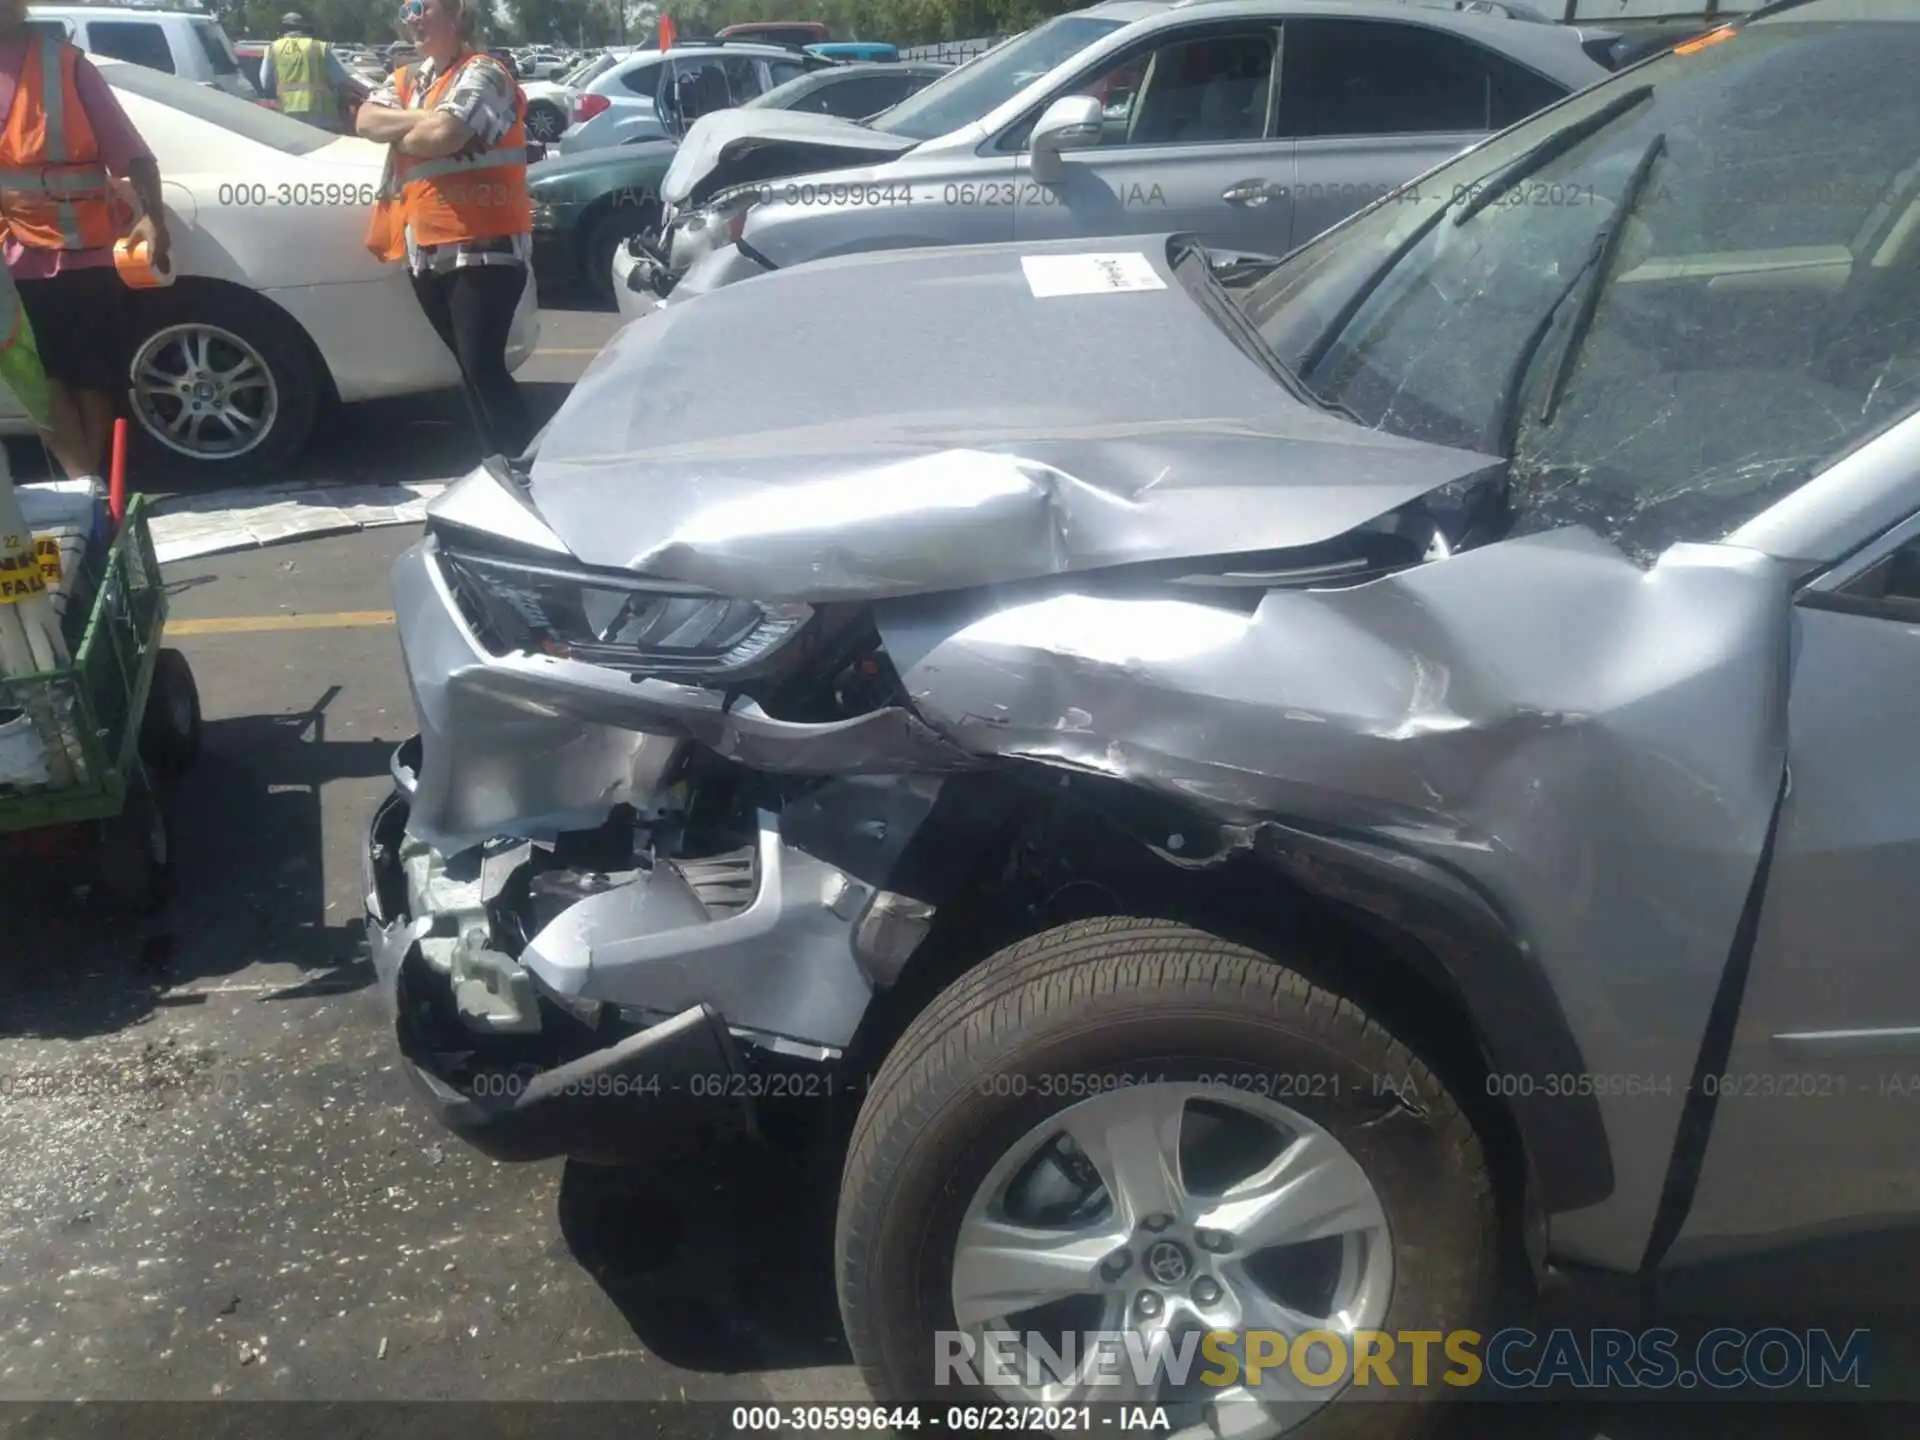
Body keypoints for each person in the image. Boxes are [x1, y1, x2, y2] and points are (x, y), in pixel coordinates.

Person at [0, 0, 168, 485]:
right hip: (9, 261)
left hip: (79, 251)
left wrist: (154, 218)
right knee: (38, 379)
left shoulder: (65, 65)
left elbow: (132, 153)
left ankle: (89, 487)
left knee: (92, 377)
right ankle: (85, 486)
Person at [358, 0, 534, 460]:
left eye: (425, 7)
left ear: (458, 14)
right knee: (469, 370)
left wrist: (413, 130)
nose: (413, 16)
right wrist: (427, 120)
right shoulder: (409, 78)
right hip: (427, 247)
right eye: (407, 7)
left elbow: (444, 137)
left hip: (484, 246)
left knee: (484, 368)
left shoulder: (485, 72)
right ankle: (496, 467)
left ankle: (525, 469)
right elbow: (365, 120)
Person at [262, 11, 362, 133]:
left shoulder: (273, 48)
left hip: (288, 116)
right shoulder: (319, 47)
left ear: (283, 29)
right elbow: (341, 80)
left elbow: (265, 81)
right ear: (304, 28)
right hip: (322, 117)